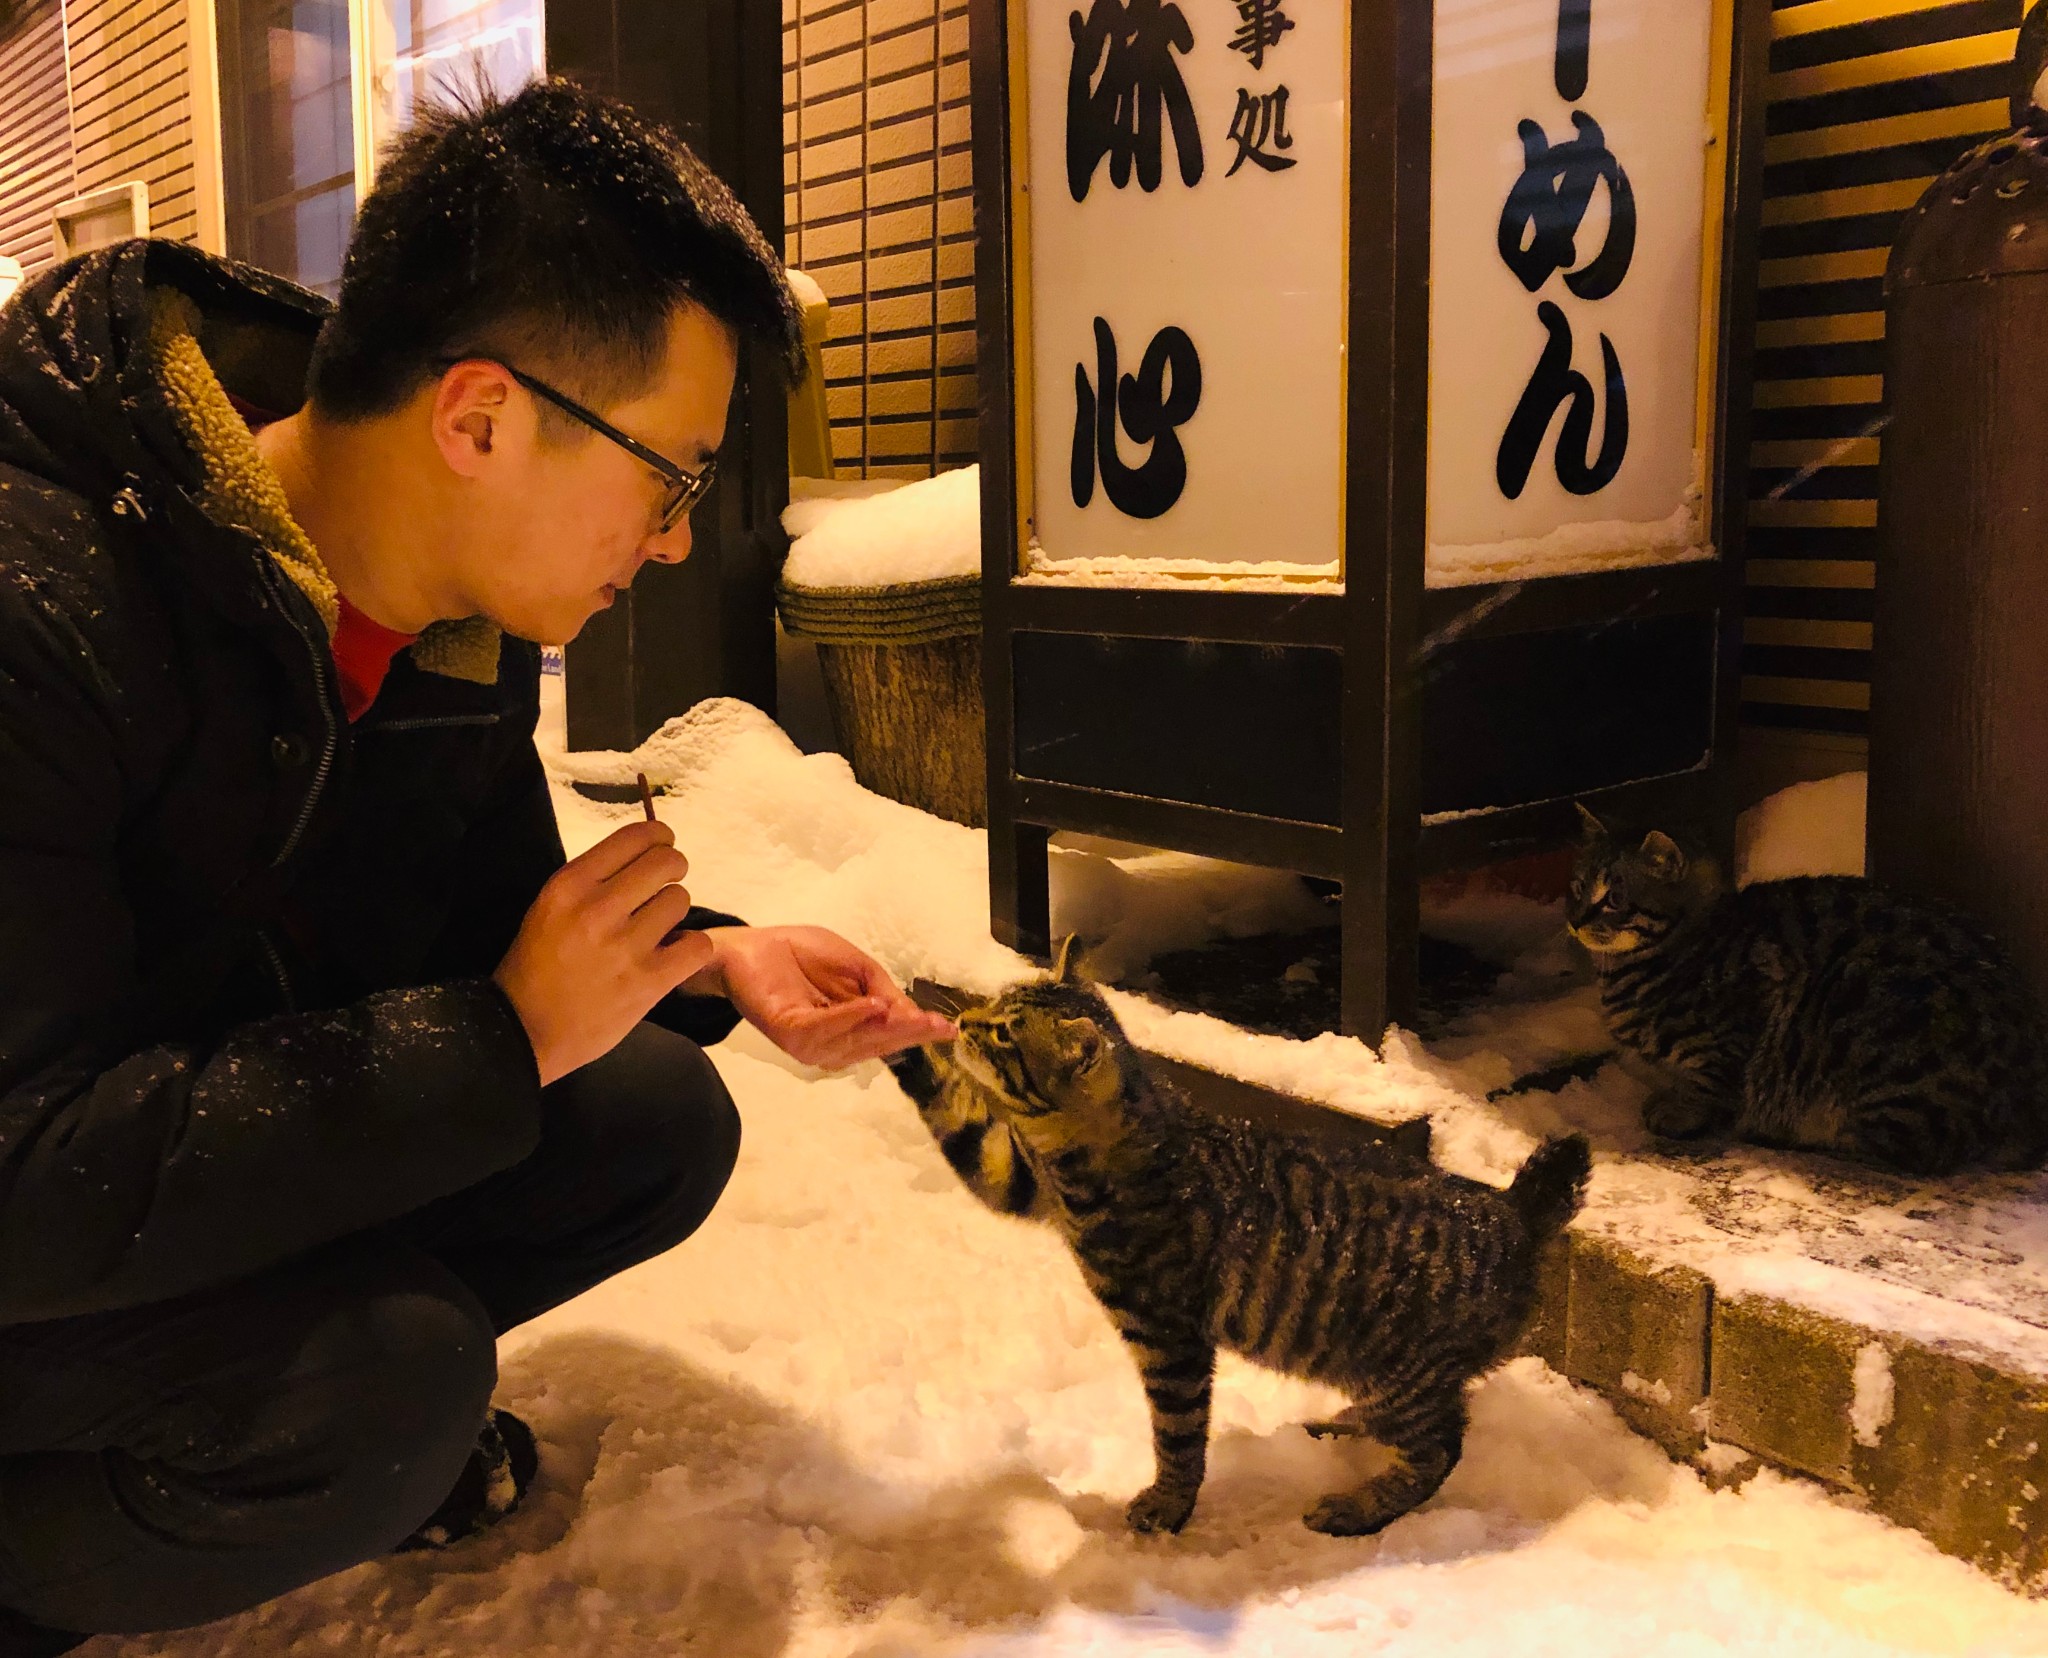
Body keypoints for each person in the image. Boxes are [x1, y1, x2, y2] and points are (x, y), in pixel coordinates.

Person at [0, 80, 953, 1652]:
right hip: (36, 1202)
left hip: (164, 1130)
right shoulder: (49, 604)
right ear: (481, 418)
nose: (666, 541)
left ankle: (289, 1396)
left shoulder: (453, 619)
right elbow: (27, 1173)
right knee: (386, 1382)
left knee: (648, 1115)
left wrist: (712, 958)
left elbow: (477, 923)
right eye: (673, 476)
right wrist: (497, 1040)